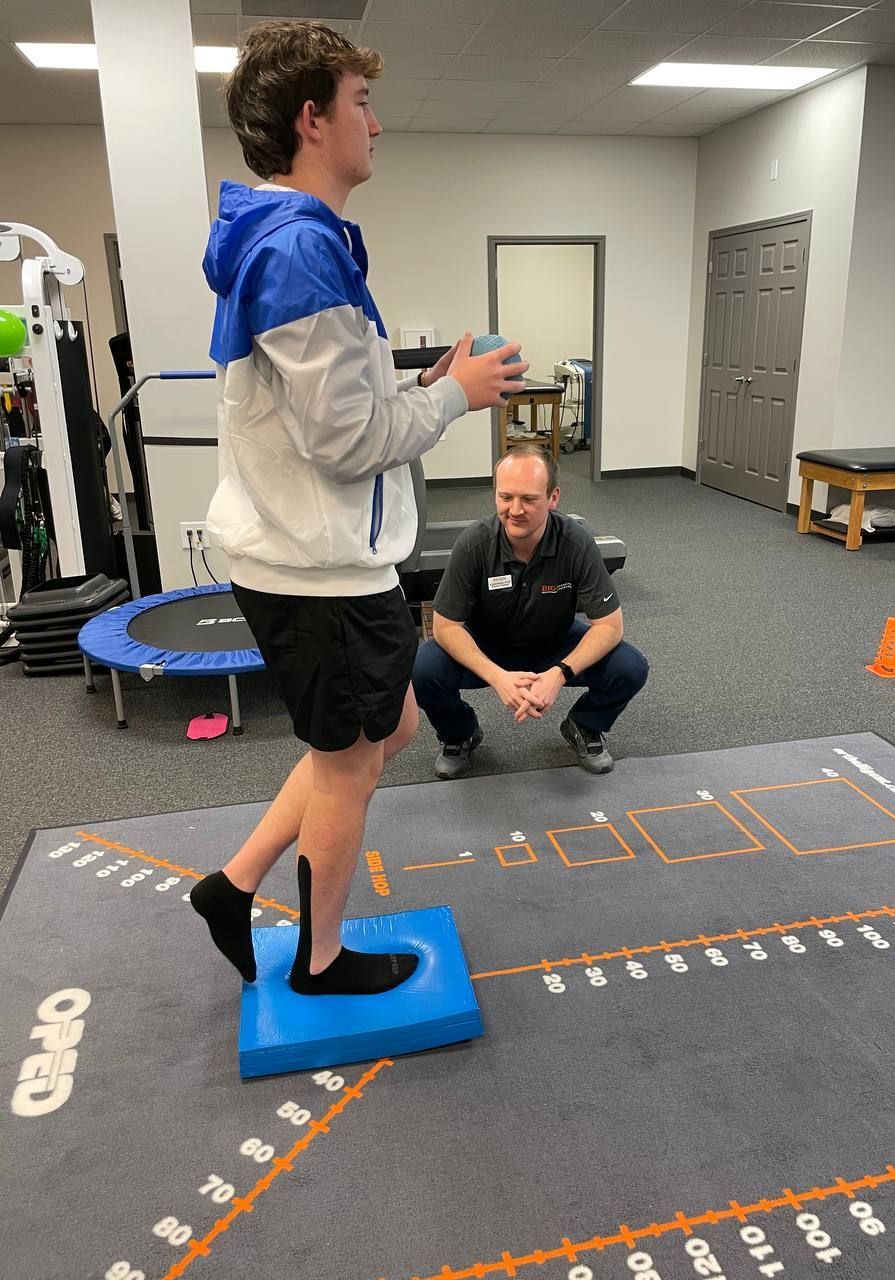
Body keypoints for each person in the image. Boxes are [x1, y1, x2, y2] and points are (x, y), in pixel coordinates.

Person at [189, 20, 528, 995]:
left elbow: (322, 404)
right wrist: (456, 395)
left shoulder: (285, 236)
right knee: (350, 762)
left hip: (308, 550)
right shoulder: (299, 251)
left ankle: (234, 883)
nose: (374, 124)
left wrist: (422, 378)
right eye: (360, 103)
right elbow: (343, 443)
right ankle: (322, 960)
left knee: (393, 727)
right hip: (317, 564)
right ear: (313, 118)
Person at [413, 444, 649, 780]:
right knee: (423, 670)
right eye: (505, 497)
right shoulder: (474, 544)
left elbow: (609, 626)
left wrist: (560, 674)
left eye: (529, 499)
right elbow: (447, 626)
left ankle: (585, 724)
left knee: (630, 667)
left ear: (553, 497)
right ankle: (460, 733)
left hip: (555, 643)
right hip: (488, 644)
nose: (515, 510)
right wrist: (497, 677)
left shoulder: (576, 543)